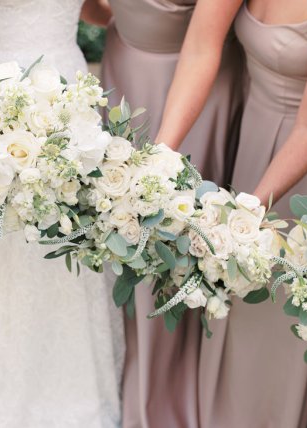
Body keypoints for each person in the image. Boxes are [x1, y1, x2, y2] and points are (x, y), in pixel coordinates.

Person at [0, 1, 124, 427]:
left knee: (70, 233)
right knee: (0, 238)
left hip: (70, 93)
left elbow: (97, 11)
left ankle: (75, 388)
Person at [157, 0, 307, 426]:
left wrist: (246, 211)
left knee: (274, 313)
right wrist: (159, 157)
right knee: (231, 300)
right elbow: (200, 49)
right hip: (249, 140)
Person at [100, 1, 245, 426]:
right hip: (121, 72)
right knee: (114, 235)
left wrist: (158, 161)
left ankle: (164, 397)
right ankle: (127, 382)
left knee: (173, 240)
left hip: (188, 92)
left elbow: (202, 47)